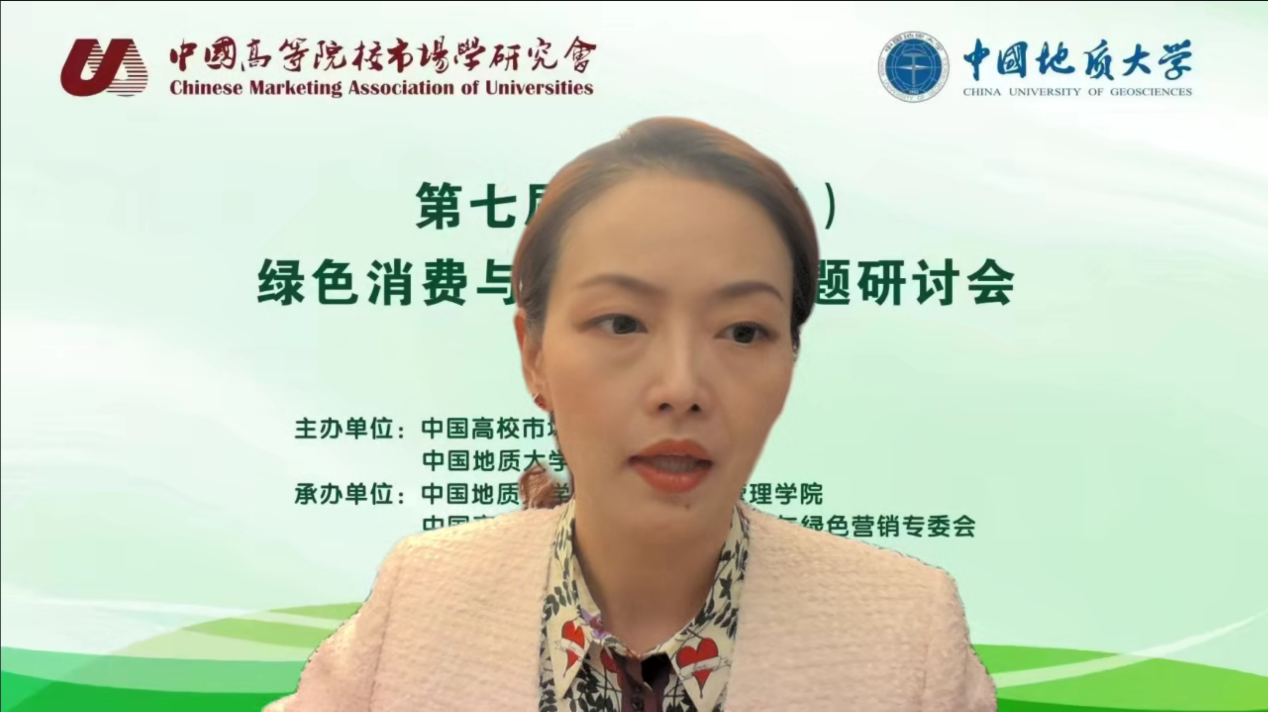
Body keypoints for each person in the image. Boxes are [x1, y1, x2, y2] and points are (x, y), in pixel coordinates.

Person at [264, 117, 997, 711]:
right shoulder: (421, 597)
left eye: (743, 331)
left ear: (790, 362)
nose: (681, 388)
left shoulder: (907, 634)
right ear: (534, 357)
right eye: (621, 323)